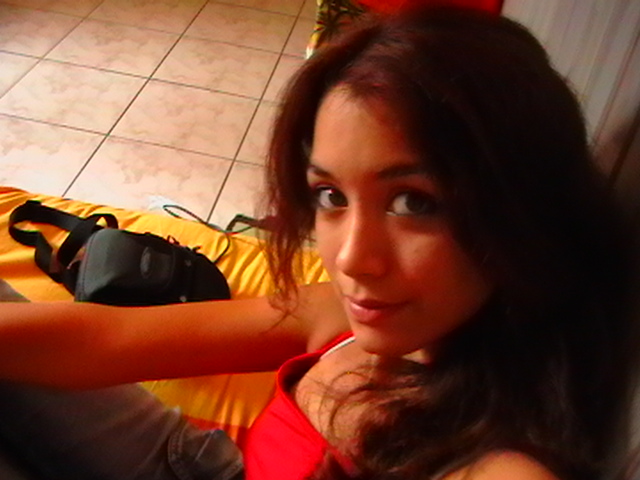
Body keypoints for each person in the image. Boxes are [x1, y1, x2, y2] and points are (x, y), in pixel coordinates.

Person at [0, 6, 636, 480]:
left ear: (518, 203)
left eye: (414, 202)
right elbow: (108, 340)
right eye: (332, 195)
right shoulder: (340, 316)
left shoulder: (498, 464)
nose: (352, 258)